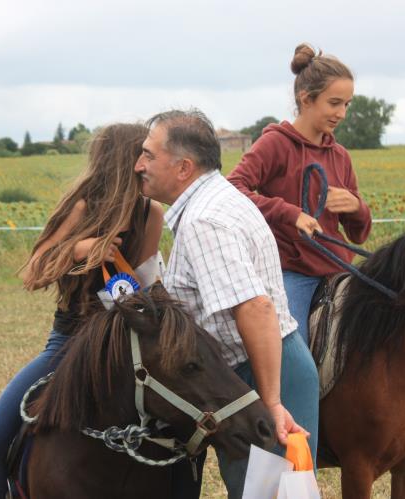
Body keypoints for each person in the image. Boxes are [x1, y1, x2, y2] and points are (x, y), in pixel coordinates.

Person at [227, 42, 405, 471]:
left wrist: (355, 208)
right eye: (334, 103)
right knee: (293, 355)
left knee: (398, 339)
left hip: (340, 272)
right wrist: (289, 214)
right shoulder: (274, 145)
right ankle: (291, 445)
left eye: (347, 104)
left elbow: (360, 230)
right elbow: (234, 189)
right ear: (307, 99)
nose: (341, 113)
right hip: (291, 274)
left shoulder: (339, 155)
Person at [134, 109, 318, 498]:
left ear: (183, 167)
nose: (139, 165)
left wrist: (269, 401)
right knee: (280, 494)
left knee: (270, 496)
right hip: (269, 363)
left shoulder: (205, 220)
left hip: (261, 372)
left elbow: (255, 308)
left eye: (149, 155)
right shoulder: (215, 201)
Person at [0, 123, 164, 498]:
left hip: (124, 345)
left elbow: (142, 285)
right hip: (69, 341)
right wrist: (80, 249)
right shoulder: (81, 207)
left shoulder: (151, 213)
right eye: (142, 153)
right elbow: (32, 274)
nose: (147, 162)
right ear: (123, 161)